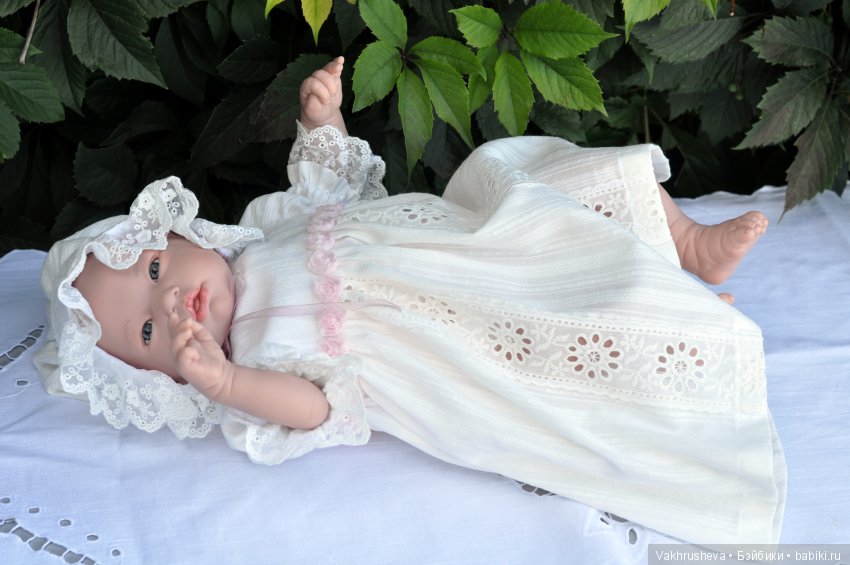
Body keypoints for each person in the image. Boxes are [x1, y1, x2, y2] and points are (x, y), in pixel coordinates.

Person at [35, 57, 784, 546]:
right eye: (146, 330)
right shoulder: (252, 365)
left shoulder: (267, 228)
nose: (171, 301)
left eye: (156, 265)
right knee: (561, 352)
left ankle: (681, 243)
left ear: (183, 231)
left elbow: (338, 192)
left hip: (469, 247)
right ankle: (678, 322)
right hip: (454, 348)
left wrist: (322, 124)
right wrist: (225, 380)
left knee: (535, 194)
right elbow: (316, 408)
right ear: (158, 381)